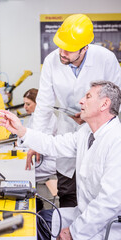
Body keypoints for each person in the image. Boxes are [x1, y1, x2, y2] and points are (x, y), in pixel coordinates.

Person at [0, 81, 121, 240]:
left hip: (106, 225)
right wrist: (21, 131)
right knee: (38, 220)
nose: (81, 101)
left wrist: (74, 232)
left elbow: (109, 202)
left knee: (39, 226)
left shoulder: (116, 141)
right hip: (84, 214)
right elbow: (53, 144)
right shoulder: (86, 133)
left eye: (88, 97)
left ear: (104, 104)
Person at [25, 13, 121, 208]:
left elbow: (116, 101)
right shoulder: (52, 61)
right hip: (68, 128)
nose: (62, 52)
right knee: (67, 191)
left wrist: (91, 120)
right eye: (60, 46)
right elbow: (43, 103)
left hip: (99, 134)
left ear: (85, 48)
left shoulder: (106, 59)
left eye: (69, 50)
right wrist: (36, 141)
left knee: (100, 193)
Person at [23, 88, 58, 210]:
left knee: (23, 174)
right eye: (24, 104)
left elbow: (43, 142)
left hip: (48, 161)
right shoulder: (34, 117)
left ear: (38, 103)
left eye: (28, 104)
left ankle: (32, 208)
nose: (25, 107)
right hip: (39, 158)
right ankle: (33, 205)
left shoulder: (50, 118)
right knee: (22, 172)